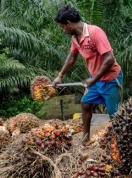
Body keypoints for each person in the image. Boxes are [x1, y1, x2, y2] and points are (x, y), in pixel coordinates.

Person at [52, 5, 123, 145]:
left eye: (63, 27)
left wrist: (94, 79)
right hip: (95, 80)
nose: (63, 30)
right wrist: (60, 75)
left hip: (110, 79)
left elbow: (109, 59)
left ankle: (120, 142)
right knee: (85, 103)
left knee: (114, 114)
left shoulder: (95, 32)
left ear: (69, 23)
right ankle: (86, 138)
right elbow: (72, 57)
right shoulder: (75, 38)